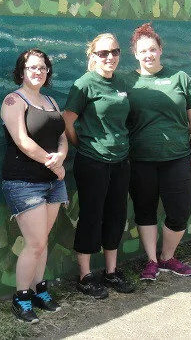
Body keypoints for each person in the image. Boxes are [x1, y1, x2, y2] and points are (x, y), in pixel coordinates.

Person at [126, 23, 191, 281]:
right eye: (142, 51)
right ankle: (151, 261)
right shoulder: (127, 81)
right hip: (141, 160)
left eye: (152, 49)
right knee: (145, 211)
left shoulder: (180, 78)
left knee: (180, 212)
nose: (148, 54)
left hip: (178, 158)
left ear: (161, 50)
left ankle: (167, 257)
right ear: (135, 54)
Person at [62, 33, 135, 299]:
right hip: (92, 161)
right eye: (103, 53)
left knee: (116, 215)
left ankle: (111, 272)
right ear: (93, 55)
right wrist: (83, 145)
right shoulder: (84, 84)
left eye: (114, 51)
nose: (110, 57)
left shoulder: (122, 82)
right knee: (92, 215)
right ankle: (85, 276)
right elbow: (67, 120)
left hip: (121, 160)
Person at [1, 49, 68, 323]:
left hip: (52, 183)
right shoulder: (13, 101)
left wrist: (62, 155)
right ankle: (21, 298)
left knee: (43, 242)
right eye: (32, 67)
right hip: (23, 183)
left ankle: (40, 290)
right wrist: (56, 165)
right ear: (22, 71)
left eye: (42, 67)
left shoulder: (51, 101)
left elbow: (62, 136)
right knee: (35, 243)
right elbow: (22, 141)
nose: (38, 72)